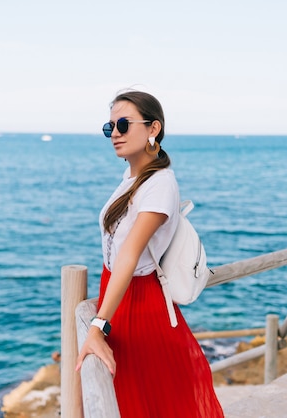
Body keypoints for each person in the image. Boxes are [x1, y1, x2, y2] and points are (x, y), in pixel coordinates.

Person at [75, 90, 224, 417]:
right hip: (119, 298)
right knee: (129, 398)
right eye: (109, 126)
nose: (114, 133)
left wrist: (98, 327)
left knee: (146, 402)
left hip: (140, 305)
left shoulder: (160, 183)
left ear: (153, 129)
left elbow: (129, 255)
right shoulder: (132, 178)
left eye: (124, 124)